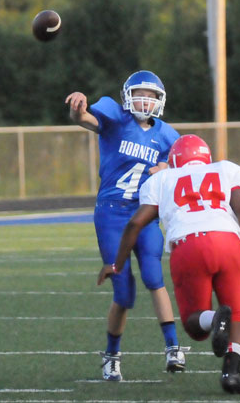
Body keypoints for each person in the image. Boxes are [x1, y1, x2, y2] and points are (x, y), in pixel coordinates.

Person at [98, 134, 240, 394]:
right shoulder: (226, 170)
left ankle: (214, 319)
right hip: (229, 243)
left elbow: (135, 223)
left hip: (189, 246)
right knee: (239, 316)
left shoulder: (162, 179)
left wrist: (117, 263)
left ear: (174, 161)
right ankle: (231, 373)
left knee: (194, 325)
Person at [65, 70, 188, 381]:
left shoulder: (168, 136)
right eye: (139, 94)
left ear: (159, 100)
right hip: (110, 213)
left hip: (144, 213)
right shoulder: (115, 117)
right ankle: (111, 356)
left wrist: (166, 167)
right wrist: (78, 108)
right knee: (124, 291)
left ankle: (173, 348)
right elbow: (85, 120)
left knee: (153, 274)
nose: (144, 100)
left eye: (150, 95)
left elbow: (187, 168)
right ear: (127, 96)